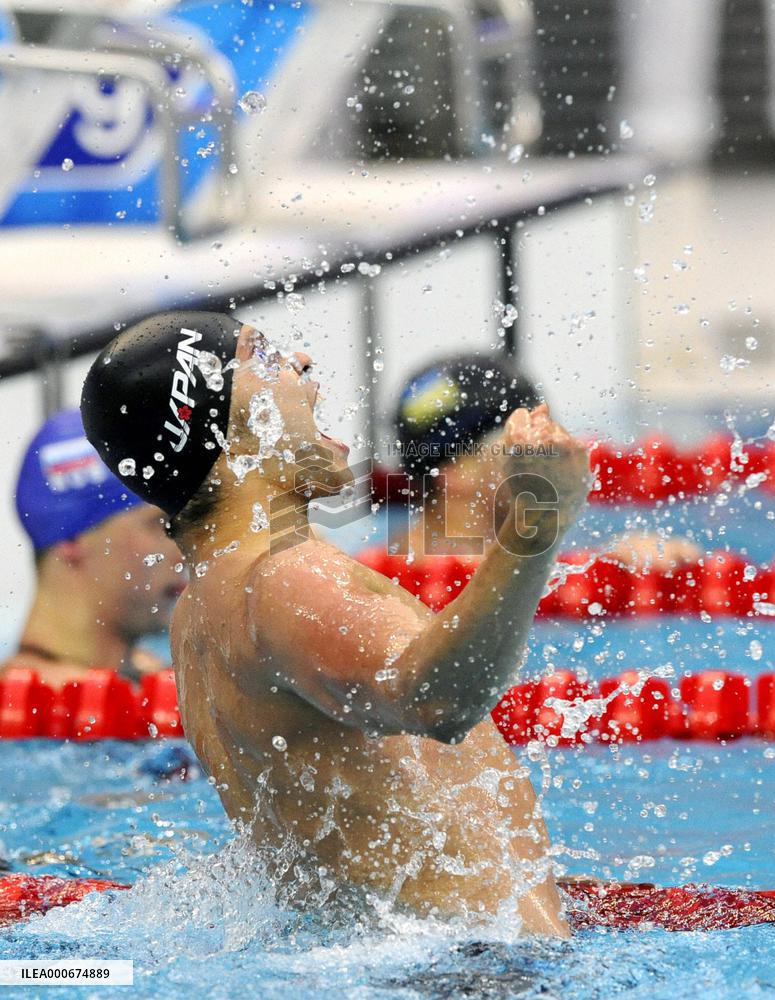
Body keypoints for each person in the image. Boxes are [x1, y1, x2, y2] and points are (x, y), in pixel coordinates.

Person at [81, 310, 595, 938]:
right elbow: (440, 699)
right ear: (216, 426)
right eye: (263, 357)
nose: (301, 364)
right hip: (479, 973)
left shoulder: (198, 613)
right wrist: (534, 527)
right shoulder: (284, 580)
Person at [392, 354, 700, 569]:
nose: (547, 457)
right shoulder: (396, 582)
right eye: (522, 443)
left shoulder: (514, 550)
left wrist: (613, 562)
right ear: (456, 472)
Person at [2, 409, 183, 688]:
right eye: (158, 525)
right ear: (72, 539)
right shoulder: (19, 712)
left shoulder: (168, 677)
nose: (183, 553)